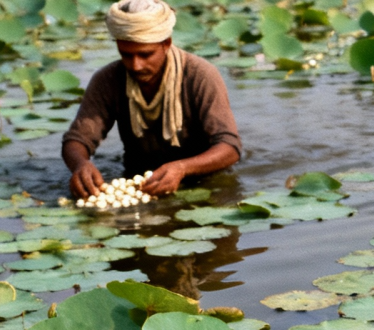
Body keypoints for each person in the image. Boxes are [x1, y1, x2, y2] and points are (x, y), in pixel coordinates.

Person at [62, 0, 241, 199]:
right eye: (126, 54)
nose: (136, 65)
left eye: (145, 54)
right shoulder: (109, 79)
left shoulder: (200, 75)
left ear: (166, 44)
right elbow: (76, 140)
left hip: (202, 179)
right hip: (139, 179)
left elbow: (229, 148)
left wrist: (182, 168)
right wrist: (81, 165)